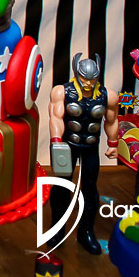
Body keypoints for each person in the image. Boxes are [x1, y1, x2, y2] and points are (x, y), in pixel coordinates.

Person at [47, 53, 119, 255]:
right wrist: (56, 141)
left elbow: (112, 120)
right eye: (84, 78)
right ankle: (57, 229)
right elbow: (55, 117)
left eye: (92, 79)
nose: (88, 83)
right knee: (62, 187)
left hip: (90, 147)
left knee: (89, 189)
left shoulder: (108, 95)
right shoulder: (62, 92)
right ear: (76, 73)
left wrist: (113, 143)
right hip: (67, 145)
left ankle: (86, 232)